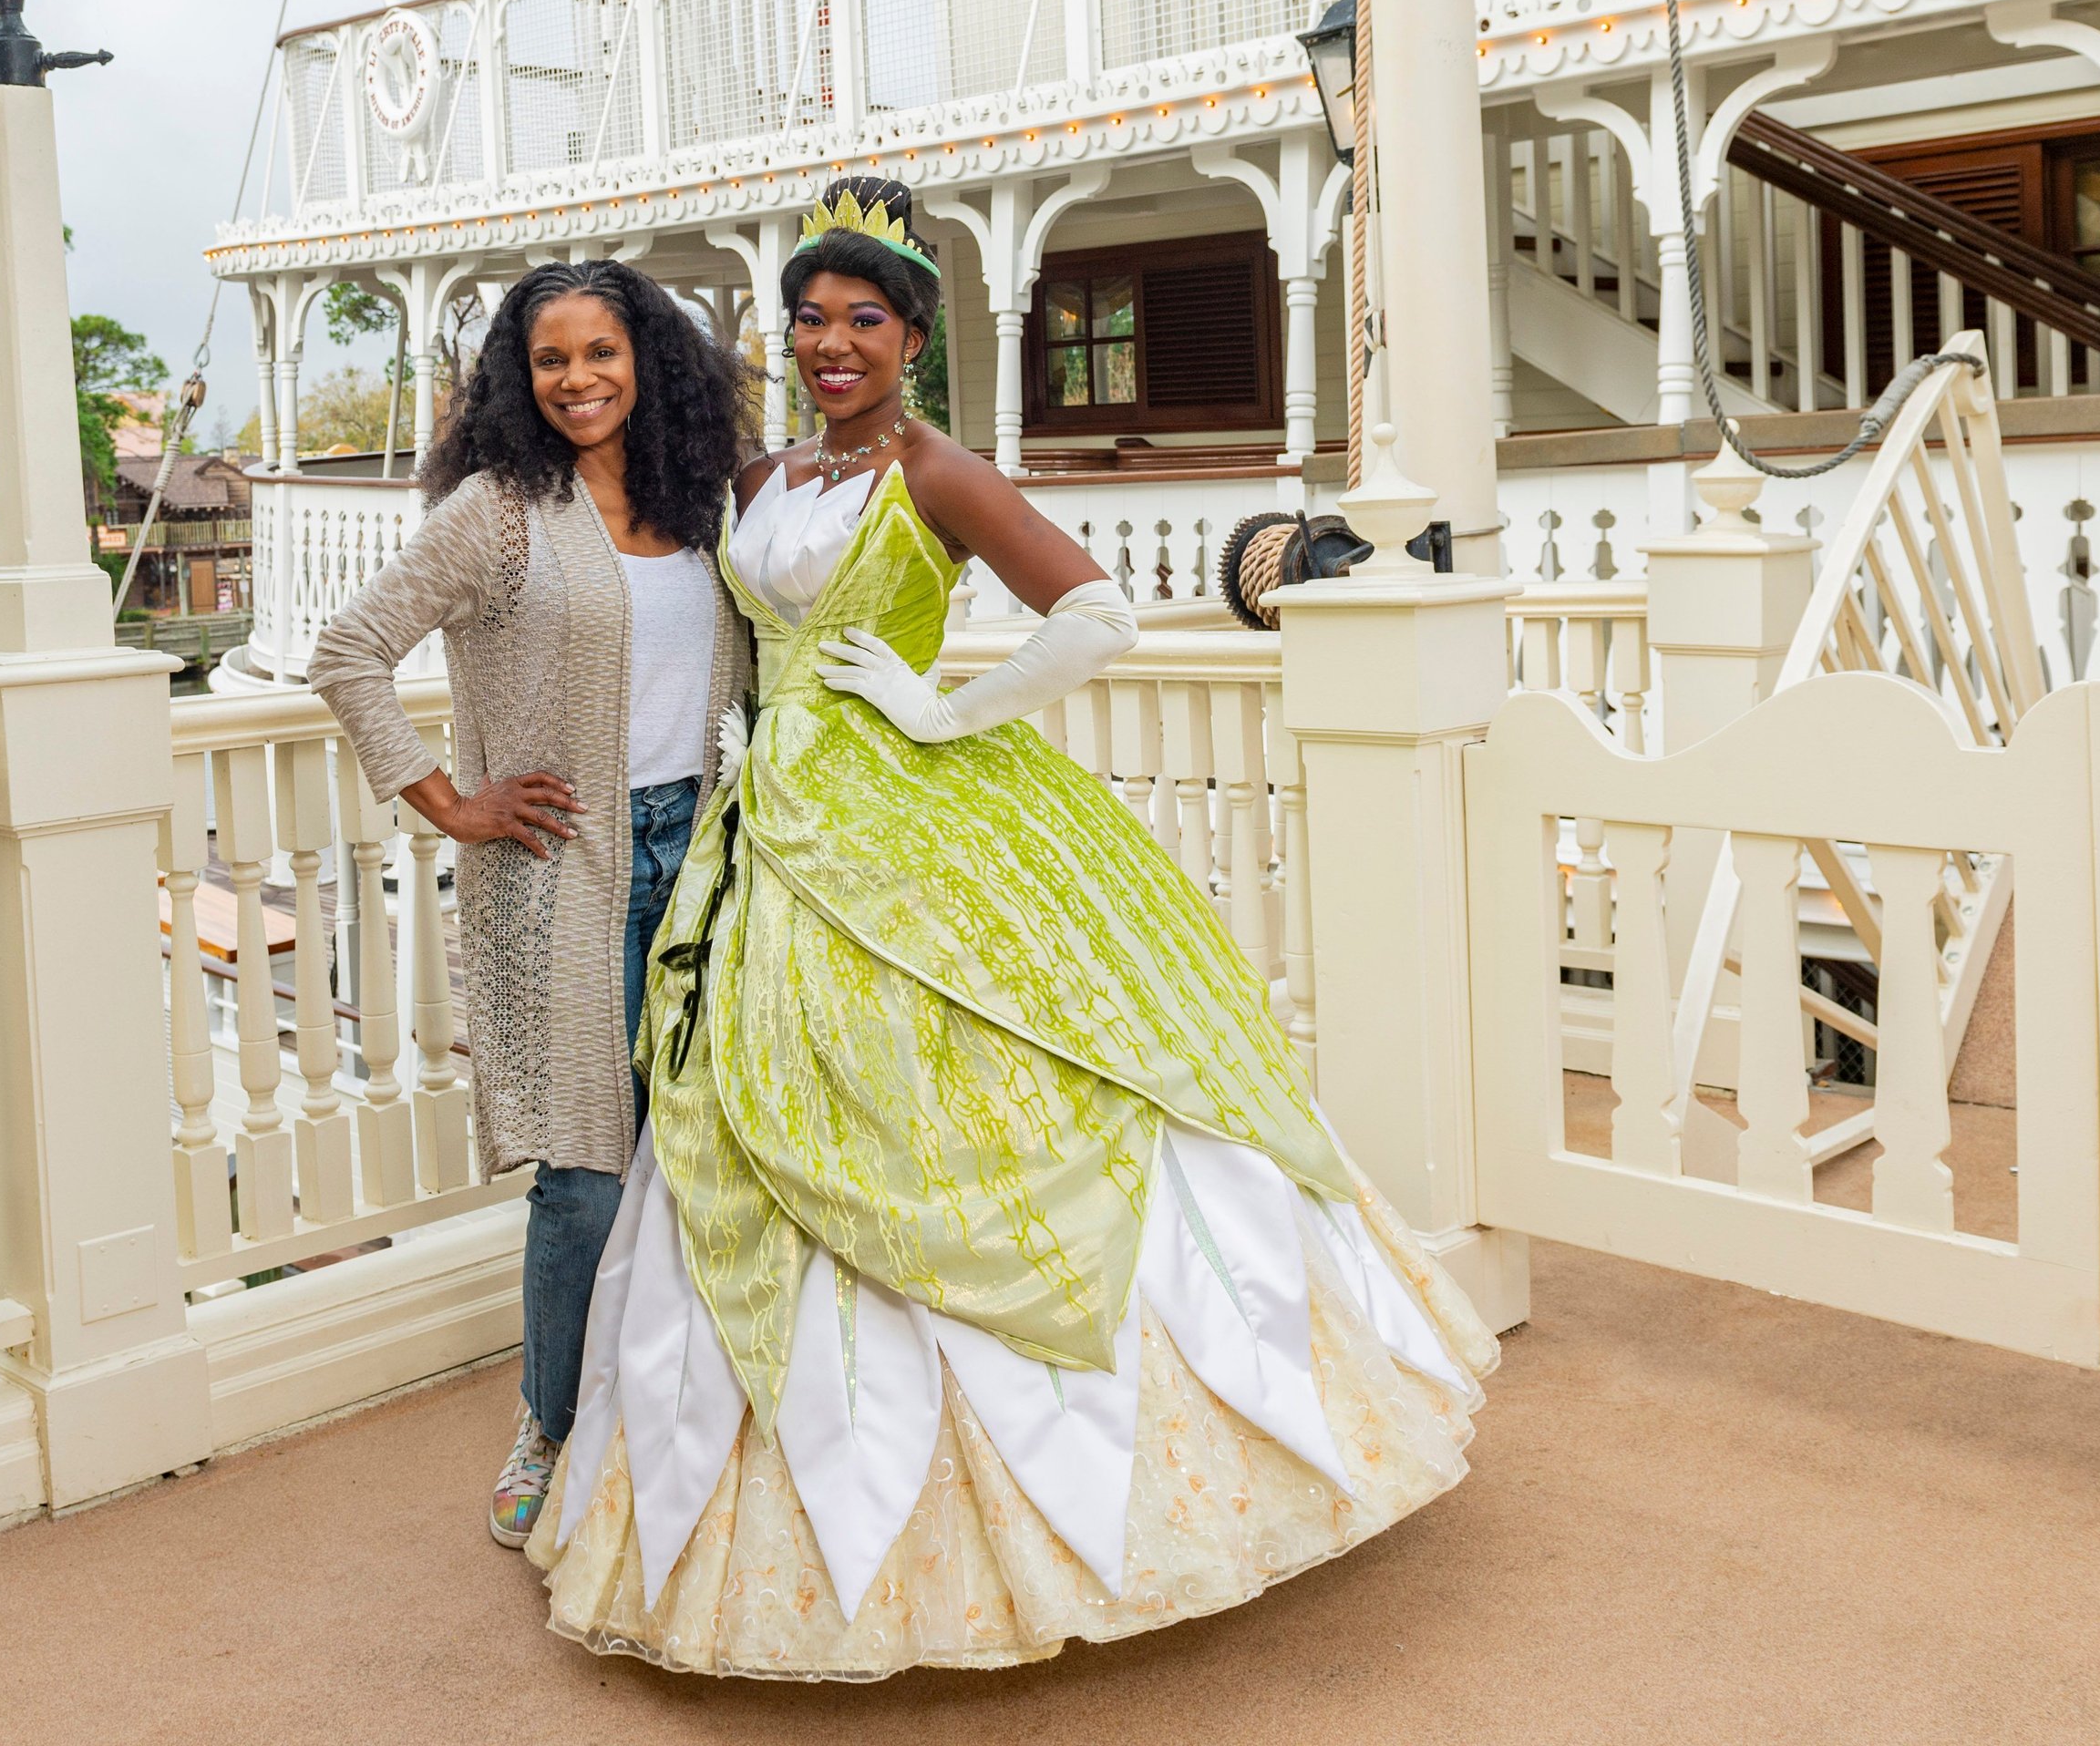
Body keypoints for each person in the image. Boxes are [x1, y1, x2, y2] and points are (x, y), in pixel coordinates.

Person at [524, 181, 1498, 1678]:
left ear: (913, 336)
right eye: (812, 319)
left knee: (1008, 1088)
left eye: (864, 321)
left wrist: (942, 707)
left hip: (911, 810)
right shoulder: (758, 469)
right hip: (774, 822)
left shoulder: (938, 472)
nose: (833, 343)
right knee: (757, 1110)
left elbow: (1097, 614)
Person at [309, 262, 755, 1552]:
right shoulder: (500, 513)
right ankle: (549, 1424)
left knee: (714, 1148)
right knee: (583, 1175)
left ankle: (690, 1404)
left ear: (647, 360)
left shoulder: (702, 501)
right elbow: (352, 650)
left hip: (709, 854)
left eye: (601, 352)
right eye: (551, 358)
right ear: (521, 373)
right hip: (561, 865)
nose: (578, 380)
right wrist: (450, 803)